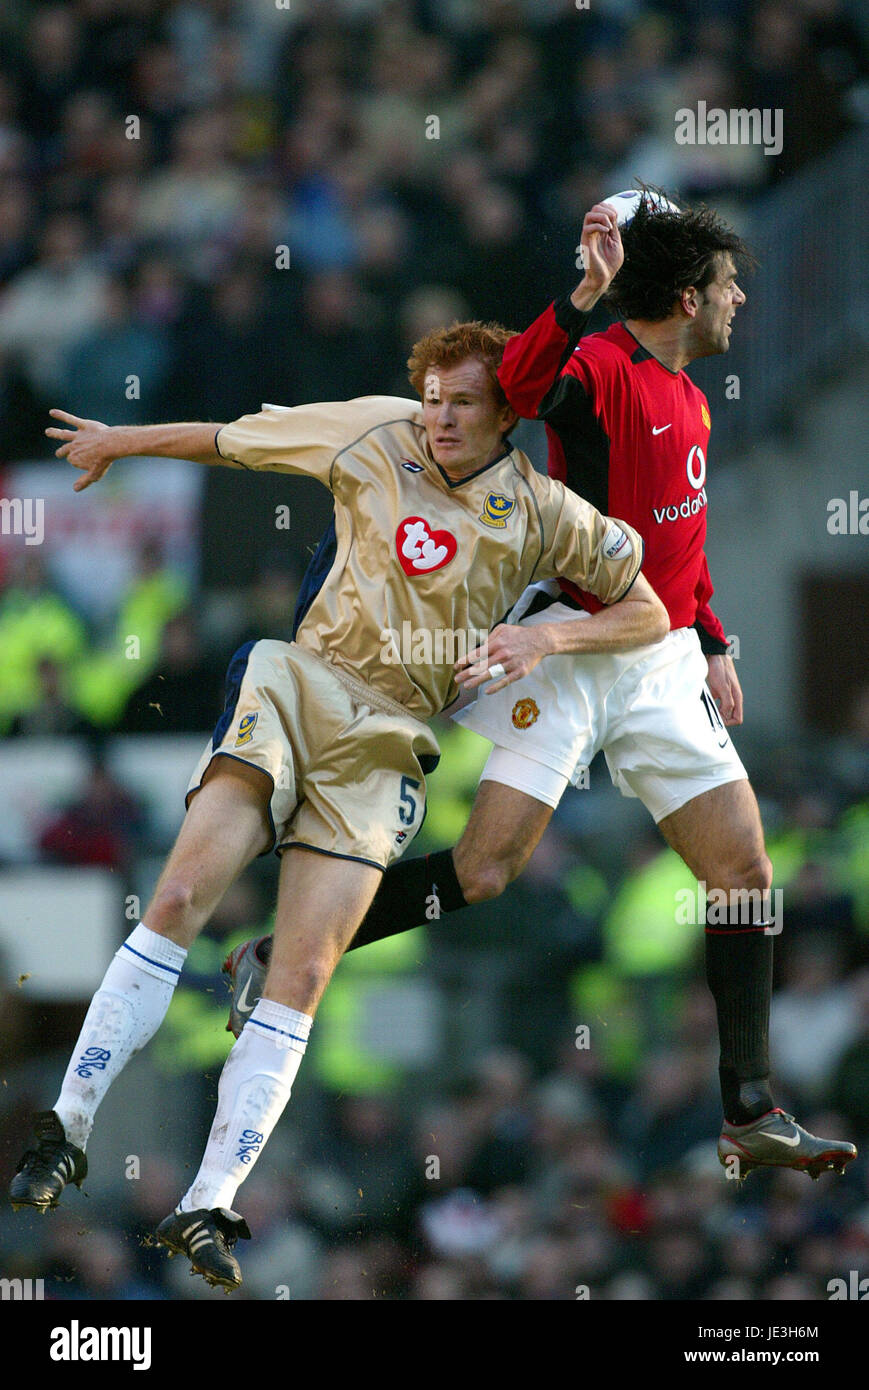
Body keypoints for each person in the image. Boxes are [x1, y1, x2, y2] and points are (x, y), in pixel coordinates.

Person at [9, 320, 668, 1291]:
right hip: (296, 685)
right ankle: (65, 1125)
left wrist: (545, 644)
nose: (439, 416)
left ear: (507, 412)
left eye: (462, 402)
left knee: (304, 972)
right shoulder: (374, 429)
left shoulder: (546, 513)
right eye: (433, 396)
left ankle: (204, 1201)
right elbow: (233, 437)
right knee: (183, 889)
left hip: (388, 740)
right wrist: (120, 440)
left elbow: (647, 606)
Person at [226, 194, 857, 1184]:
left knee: (741, 873)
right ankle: (276, 952)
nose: (741, 300)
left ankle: (747, 1108)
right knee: (482, 873)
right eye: (730, 285)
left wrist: (711, 636)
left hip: (650, 658)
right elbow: (517, 380)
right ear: (687, 296)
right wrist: (582, 293)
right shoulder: (604, 363)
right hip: (560, 649)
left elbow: (673, 549)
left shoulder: (691, 398)